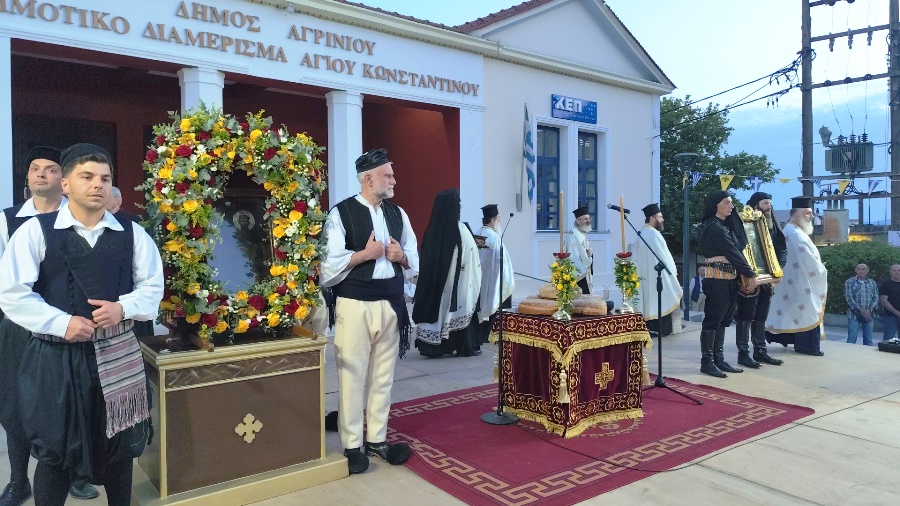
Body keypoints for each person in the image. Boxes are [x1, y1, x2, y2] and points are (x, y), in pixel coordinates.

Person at [0, 143, 164, 506]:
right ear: (66, 185)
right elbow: (11, 293)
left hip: (117, 354)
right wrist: (61, 323)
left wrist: (123, 308)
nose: (97, 185)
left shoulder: (132, 231)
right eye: (86, 177)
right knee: (55, 453)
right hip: (54, 357)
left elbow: (153, 287)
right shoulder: (35, 231)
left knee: (120, 449)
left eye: (104, 178)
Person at [0, 146, 102, 505]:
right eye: (34, 168)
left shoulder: (80, 217)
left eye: (50, 169)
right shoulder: (8, 219)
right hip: (20, 329)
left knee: (73, 400)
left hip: (72, 329)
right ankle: (18, 480)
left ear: (65, 180)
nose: (41, 174)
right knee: (17, 404)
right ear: (27, 177)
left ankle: (76, 474)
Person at [320, 148, 418, 474]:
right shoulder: (341, 213)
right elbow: (327, 266)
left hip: (391, 303)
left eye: (392, 174)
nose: (394, 180)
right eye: (387, 175)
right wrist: (366, 254)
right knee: (351, 376)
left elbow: (413, 257)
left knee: (382, 378)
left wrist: (401, 257)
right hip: (355, 304)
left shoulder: (398, 214)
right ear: (368, 178)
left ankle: (377, 440)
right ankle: (352, 446)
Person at [413, 190, 482, 358]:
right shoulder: (460, 230)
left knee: (437, 312)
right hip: (458, 284)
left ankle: (432, 347)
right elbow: (471, 259)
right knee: (458, 310)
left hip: (434, 285)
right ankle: (463, 346)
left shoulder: (431, 229)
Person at [698, 190, 758, 378]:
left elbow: (738, 246)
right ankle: (707, 362)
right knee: (713, 320)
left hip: (730, 279)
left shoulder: (725, 226)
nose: (731, 206)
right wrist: (750, 274)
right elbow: (732, 252)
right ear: (715, 205)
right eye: (726, 202)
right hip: (717, 280)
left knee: (724, 320)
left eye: (731, 202)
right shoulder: (713, 227)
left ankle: (719, 359)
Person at [765, 197, 828, 356]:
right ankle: (807, 346)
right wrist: (821, 269)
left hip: (795, 282)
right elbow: (807, 261)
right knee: (807, 312)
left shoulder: (792, 230)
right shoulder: (796, 234)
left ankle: (797, 342)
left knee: (795, 313)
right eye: (807, 213)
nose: (811, 216)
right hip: (801, 283)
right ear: (797, 215)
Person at [734, 192, 786, 369]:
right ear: (755, 205)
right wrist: (747, 274)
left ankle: (760, 351)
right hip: (749, 278)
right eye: (765, 203)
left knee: (761, 315)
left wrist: (777, 270)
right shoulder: (744, 223)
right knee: (745, 316)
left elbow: (781, 248)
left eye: (770, 203)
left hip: (768, 279)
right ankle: (743, 354)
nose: (768, 207)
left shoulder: (773, 224)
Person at [633, 203, 681, 337]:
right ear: (652, 218)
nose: (662, 219)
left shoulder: (643, 233)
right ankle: (663, 328)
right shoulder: (653, 234)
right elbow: (663, 256)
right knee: (662, 299)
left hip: (648, 275)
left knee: (652, 301)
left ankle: (653, 327)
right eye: (660, 217)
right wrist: (672, 272)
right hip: (658, 275)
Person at [477, 204, 515, 343]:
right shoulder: (494, 237)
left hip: (480, 279)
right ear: (493, 220)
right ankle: (488, 335)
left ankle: (479, 334)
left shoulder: (477, 234)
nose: (500, 221)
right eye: (498, 218)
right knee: (493, 305)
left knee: (480, 307)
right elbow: (504, 262)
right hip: (493, 278)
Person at [845, 263, 879, 346]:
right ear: (856, 270)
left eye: (863, 269)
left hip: (869, 315)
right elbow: (849, 298)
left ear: (867, 270)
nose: (861, 271)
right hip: (854, 315)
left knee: (868, 341)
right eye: (859, 269)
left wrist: (870, 310)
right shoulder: (850, 282)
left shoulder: (872, 282)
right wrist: (862, 310)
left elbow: (876, 297)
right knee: (851, 340)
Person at [565, 206, 593, 294]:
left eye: (588, 218)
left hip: (585, 270)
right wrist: (581, 269)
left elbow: (583, 249)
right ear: (578, 221)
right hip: (579, 272)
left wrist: (590, 253)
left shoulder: (582, 233)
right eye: (585, 219)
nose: (588, 221)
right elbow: (572, 254)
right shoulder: (573, 234)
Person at [880, 264, 900, 342]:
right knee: (889, 339)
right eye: (894, 270)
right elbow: (884, 301)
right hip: (890, 316)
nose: (897, 272)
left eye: (899, 270)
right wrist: (897, 312)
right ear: (890, 272)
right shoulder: (885, 284)